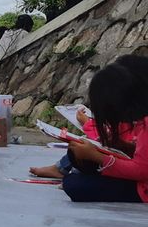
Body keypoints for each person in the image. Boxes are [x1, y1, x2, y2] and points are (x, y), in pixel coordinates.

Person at [61, 55, 148, 203]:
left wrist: (98, 157)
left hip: (143, 188)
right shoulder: (141, 118)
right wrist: (123, 147)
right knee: (76, 166)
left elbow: (142, 171)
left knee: (73, 184)